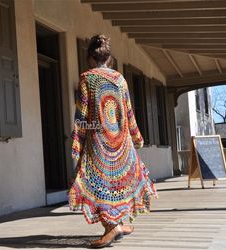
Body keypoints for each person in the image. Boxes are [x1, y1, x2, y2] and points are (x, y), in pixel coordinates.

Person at [68, 34, 157, 248]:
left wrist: (77, 140)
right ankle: (118, 222)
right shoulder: (120, 79)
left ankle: (111, 227)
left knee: (99, 182)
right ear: (108, 59)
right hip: (120, 139)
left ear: (90, 57)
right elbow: (128, 112)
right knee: (116, 181)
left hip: (98, 140)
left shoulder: (87, 78)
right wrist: (136, 135)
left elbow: (82, 114)